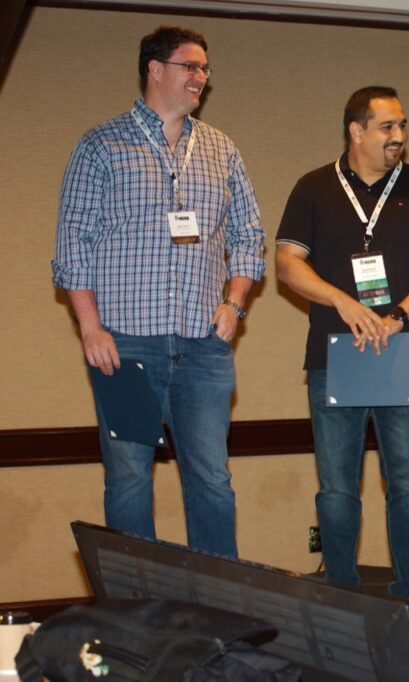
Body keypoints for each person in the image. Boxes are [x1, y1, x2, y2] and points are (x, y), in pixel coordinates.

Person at [52, 26, 265, 558]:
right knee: (128, 480)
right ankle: (136, 612)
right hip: (125, 346)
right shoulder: (102, 146)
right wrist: (90, 327)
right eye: (191, 67)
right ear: (155, 69)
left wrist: (234, 302)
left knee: (212, 481)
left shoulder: (222, 150)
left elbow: (250, 236)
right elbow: (71, 243)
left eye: (205, 70)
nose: (201, 78)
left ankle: (217, 607)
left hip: (203, 347)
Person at [275, 86, 409, 627]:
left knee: (408, 482)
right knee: (337, 485)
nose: (398, 137)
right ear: (355, 131)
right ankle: (339, 591)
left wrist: (398, 314)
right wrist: (341, 300)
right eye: (386, 127)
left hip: (401, 353)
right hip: (336, 354)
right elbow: (287, 264)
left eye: (402, 125)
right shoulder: (314, 187)